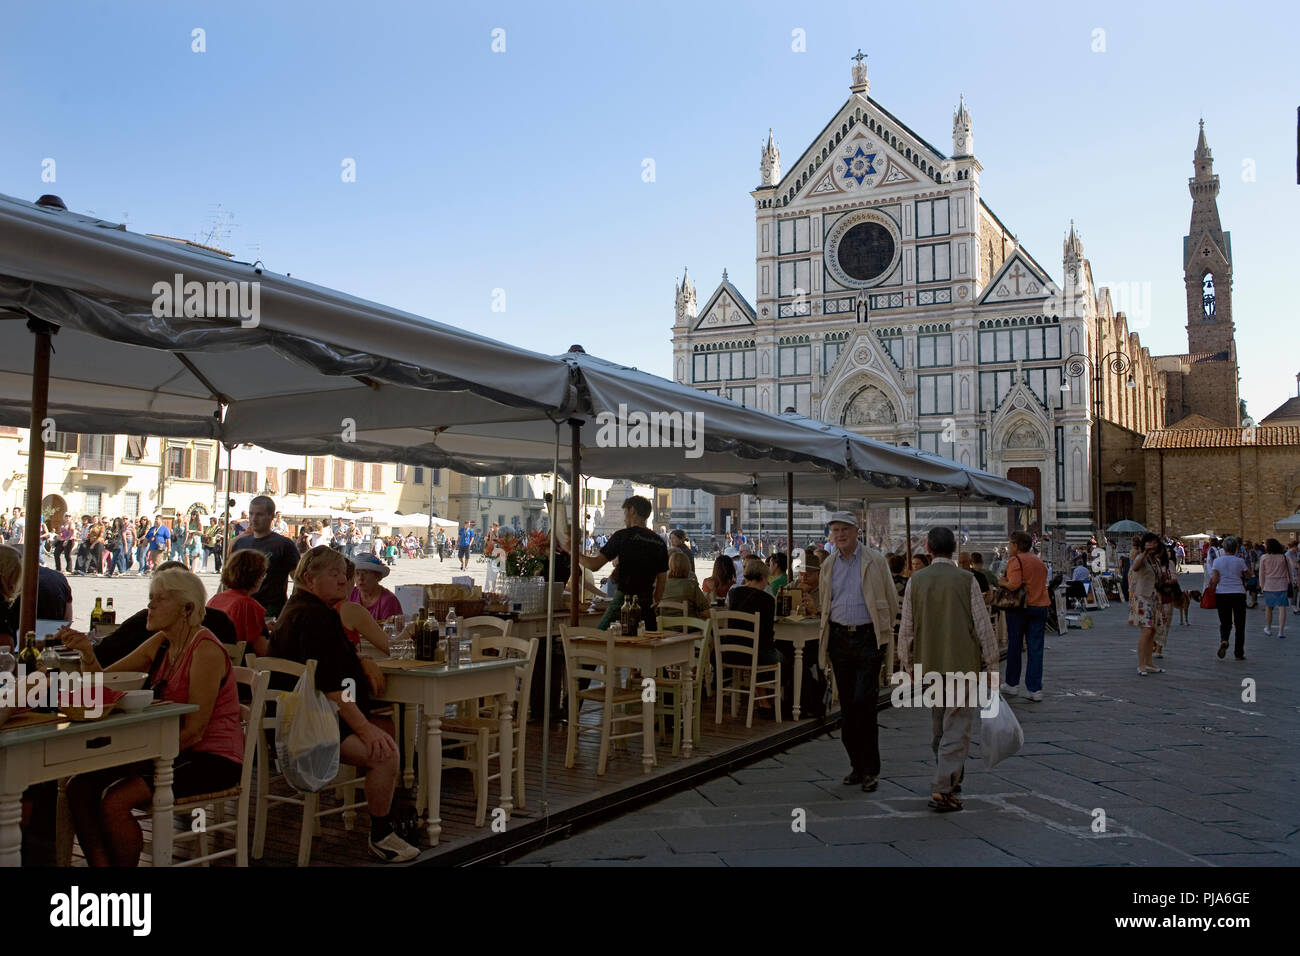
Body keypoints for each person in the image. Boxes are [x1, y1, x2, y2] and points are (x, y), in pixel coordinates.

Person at [61, 568, 243, 866]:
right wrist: (86, 653)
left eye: (160, 599)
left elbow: (195, 731)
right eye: (150, 598)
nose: (151, 606)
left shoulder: (205, 650)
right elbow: (104, 685)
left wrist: (139, 758)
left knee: (115, 802)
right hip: (164, 748)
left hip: (211, 758)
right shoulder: (161, 642)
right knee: (79, 786)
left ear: (187, 608)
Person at [270, 546, 416, 862]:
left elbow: (330, 668)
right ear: (309, 578)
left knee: (384, 732)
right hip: (313, 729)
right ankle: (381, 835)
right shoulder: (318, 616)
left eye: (344, 574)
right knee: (386, 752)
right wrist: (364, 729)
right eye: (334, 574)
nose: (344, 581)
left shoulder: (295, 609)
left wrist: (360, 660)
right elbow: (335, 688)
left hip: (293, 721)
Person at [897, 527, 999, 813]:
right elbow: (983, 627)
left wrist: (906, 664)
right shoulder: (966, 580)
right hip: (961, 663)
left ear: (928, 547)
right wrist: (991, 664)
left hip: (928, 664)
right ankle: (944, 786)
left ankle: (950, 776)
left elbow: (906, 629)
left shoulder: (916, 581)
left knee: (939, 724)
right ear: (954, 549)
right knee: (957, 726)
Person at [817, 511, 899, 792]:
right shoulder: (828, 565)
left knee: (865, 703)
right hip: (840, 638)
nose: (840, 535)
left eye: (845, 530)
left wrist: (883, 632)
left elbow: (890, 598)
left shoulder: (875, 560)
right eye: (835, 530)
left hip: (868, 639)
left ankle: (870, 770)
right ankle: (856, 766)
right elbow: (825, 600)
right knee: (849, 707)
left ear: (857, 531)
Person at [579, 495, 669, 632]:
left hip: (624, 599)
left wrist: (572, 551)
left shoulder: (623, 536)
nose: (624, 517)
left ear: (632, 510)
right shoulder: (660, 542)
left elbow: (594, 565)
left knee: (600, 635)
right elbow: (662, 582)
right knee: (647, 639)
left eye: (625, 513)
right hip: (646, 602)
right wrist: (654, 603)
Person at [725, 556, 785, 710]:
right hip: (755, 654)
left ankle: (760, 695)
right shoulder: (767, 599)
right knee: (784, 657)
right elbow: (766, 635)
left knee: (762, 650)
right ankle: (774, 699)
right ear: (763, 577)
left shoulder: (734, 594)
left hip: (731, 651)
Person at [998, 530, 1050, 701]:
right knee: (1036, 649)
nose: (1008, 546)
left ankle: (1012, 684)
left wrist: (1001, 581)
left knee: (1015, 645)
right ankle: (1035, 690)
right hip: (1040, 606)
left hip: (1020, 608)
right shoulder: (1038, 561)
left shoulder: (1015, 560)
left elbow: (1014, 585)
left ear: (1016, 545)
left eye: (1010, 543)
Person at [230, 495, 302, 617]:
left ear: (271, 516)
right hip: (242, 609)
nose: (254, 519)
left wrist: (292, 605)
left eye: (259, 514)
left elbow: (299, 579)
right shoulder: (240, 543)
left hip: (271, 611)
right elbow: (230, 579)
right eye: (251, 514)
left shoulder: (284, 545)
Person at [207, 549, 269, 657]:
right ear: (256, 577)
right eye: (263, 574)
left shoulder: (216, 598)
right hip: (239, 665)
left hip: (213, 657)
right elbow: (262, 650)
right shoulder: (248, 605)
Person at [1129, 533, 1170, 674]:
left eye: (1155, 542)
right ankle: (1141, 664)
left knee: (1152, 630)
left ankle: (1149, 663)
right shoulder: (1142, 557)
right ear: (1144, 544)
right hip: (1143, 598)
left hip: (1154, 598)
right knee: (1146, 630)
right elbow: (1135, 567)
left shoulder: (1156, 561)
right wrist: (1145, 552)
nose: (1153, 545)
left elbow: (1157, 579)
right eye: (1150, 542)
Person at [1210, 535, 1249, 661]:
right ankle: (1239, 652)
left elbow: (1215, 580)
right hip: (1238, 593)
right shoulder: (1240, 561)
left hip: (1222, 593)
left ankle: (1224, 639)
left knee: (1225, 622)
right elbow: (1248, 575)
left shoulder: (1217, 561)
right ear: (1236, 548)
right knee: (1240, 624)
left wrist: (1211, 588)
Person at [349, 552, 404, 621]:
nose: (360, 578)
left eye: (365, 573)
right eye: (357, 573)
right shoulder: (350, 594)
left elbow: (390, 629)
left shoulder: (388, 600)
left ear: (377, 576)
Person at [661, 549, 709, 618]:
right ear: (688, 567)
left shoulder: (661, 586)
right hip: (688, 626)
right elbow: (705, 609)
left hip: (663, 626)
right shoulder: (692, 586)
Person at [1259, 538, 1288, 638]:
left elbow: (1261, 574)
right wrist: (1290, 582)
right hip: (1282, 584)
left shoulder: (1264, 557)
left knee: (1269, 608)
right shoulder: (1283, 557)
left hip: (1269, 584)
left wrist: (1262, 586)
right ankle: (1281, 631)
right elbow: (1288, 572)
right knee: (1282, 608)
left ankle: (1268, 628)